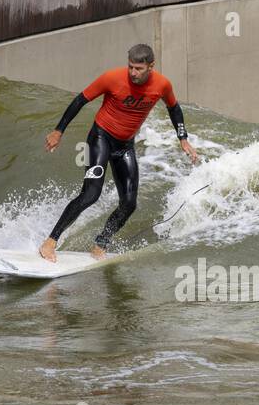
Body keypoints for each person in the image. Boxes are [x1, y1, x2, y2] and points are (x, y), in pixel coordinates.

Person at [39, 43, 199, 262]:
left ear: (151, 66)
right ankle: (50, 242)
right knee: (90, 194)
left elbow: (174, 108)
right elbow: (81, 100)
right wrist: (59, 131)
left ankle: (100, 244)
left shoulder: (162, 85)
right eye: (130, 67)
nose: (133, 73)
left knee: (129, 203)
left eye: (138, 69)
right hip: (100, 138)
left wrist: (183, 138)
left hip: (125, 146)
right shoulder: (112, 78)